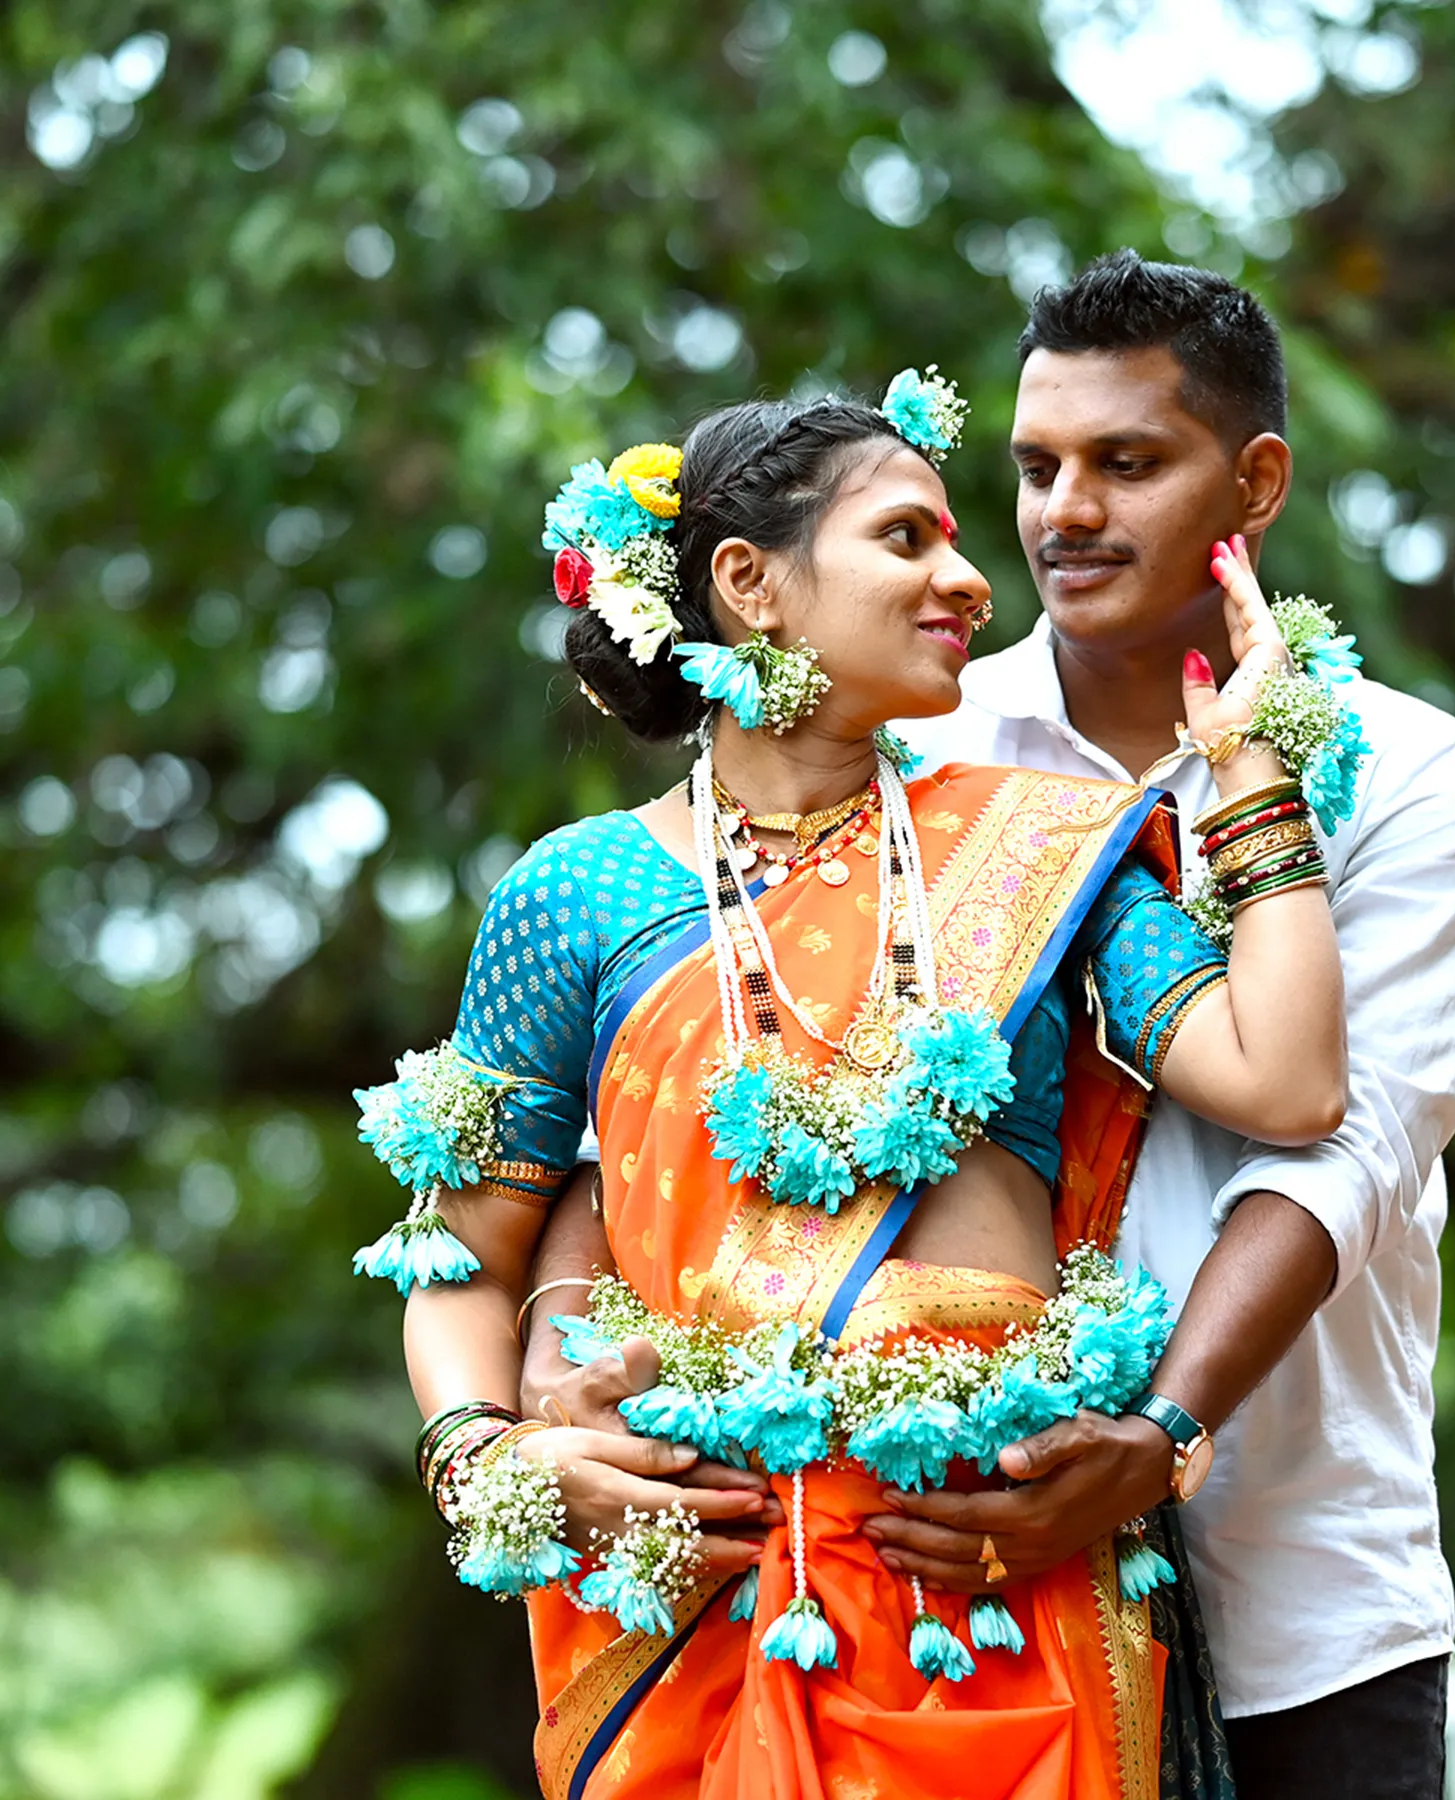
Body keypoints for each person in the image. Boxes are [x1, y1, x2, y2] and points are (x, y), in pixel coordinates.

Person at [353, 369, 1355, 1799]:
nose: (971, 581)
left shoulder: (1046, 844)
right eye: (908, 539)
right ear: (750, 583)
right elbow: (458, 1246)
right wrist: (487, 1459)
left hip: (998, 1576)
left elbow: (1293, 1082)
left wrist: (1253, 773)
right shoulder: (578, 891)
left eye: (957, 541)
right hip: (710, 1588)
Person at [872, 254, 1455, 1797]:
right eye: (1035, 468)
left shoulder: (1413, 777)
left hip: (1308, 1601)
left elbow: (1349, 1146)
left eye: (1127, 464)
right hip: (962, 1578)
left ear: (1256, 482)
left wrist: (1163, 1431)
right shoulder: (912, 755)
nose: (1063, 512)